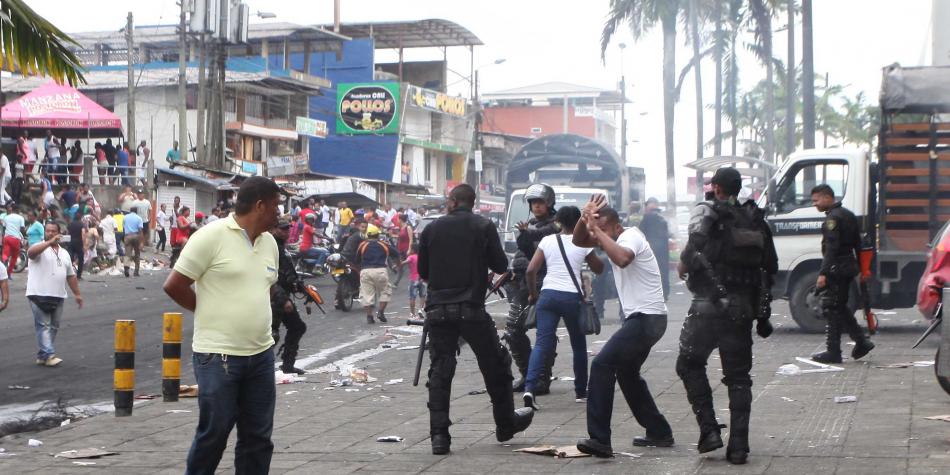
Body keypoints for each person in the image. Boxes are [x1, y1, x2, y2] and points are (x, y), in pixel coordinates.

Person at [163, 176, 281, 473]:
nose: (279, 213)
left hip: (261, 356)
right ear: (259, 206)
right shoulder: (210, 236)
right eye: (276, 206)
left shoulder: (270, 244)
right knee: (214, 435)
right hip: (218, 356)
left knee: (258, 438)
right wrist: (204, 311)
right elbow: (174, 285)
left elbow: (264, 290)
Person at [419, 184, 534, 455]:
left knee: (440, 370)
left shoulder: (432, 229)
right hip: (471, 308)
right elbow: (498, 265)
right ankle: (505, 423)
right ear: (471, 203)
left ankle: (439, 436)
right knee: (496, 363)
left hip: (438, 310)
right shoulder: (482, 226)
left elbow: (423, 270)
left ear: (451, 201)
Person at [674, 167, 778, 465]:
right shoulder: (755, 219)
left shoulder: (707, 212)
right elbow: (770, 265)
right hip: (742, 310)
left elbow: (693, 246)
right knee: (739, 378)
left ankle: (709, 431)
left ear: (717, 188)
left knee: (689, 363)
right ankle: (738, 447)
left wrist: (684, 266)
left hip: (707, 308)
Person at [571, 198, 675, 458]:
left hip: (647, 318)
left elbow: (623, 259)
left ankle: (600, 439)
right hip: (643, 319)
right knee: (627, 374)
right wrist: (584, 220)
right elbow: (578, 242)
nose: (599, 238)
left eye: (603, 231)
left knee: (602, 365)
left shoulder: (632, 236)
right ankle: (659, 431)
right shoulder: (612, 237)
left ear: (616, 228)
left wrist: (596, 232)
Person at [523, 206, 603, 409]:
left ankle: (529, 389)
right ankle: (580, 392)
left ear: (558, 222)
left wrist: (533, 294)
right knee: (578, 345)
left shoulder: (547, 241)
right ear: (579, 222)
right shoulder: (583, 243)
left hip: (548, 296)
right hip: (571, 298)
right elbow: (598, 268)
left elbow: (531, 270)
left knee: (541, 343)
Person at [810, 184, 875, 363]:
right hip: (848, 267)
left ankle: (835, 351)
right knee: (839, 306)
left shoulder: (833, 219)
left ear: (827, 197)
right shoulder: (848, 214)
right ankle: (861, 341)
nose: (814, 204)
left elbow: (832, 247)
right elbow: (858, 244)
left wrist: (823, 273)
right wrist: (862, 269)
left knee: (832, 307)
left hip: (836, 268)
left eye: (816, 200)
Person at [505, 183, 559, 393]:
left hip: (544, 283)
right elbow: (524, 252)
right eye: (533, 203)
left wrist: (528, 233)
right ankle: (529, 376)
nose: (536, 206)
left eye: (540, 202)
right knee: (513, 330)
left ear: (549, 203)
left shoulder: (555, 225)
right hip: (522, 285)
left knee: (545, 333)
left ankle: (541, 379)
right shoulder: (529, 225)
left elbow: (542, 237)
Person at [27, 221, 83, 367]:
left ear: (59, 233)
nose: (50, 233)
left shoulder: (64, 253)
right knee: (43, 325)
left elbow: (70, 275)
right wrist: (49, 242)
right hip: (37, 294)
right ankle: (49, 354)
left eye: (53, 231)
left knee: (54, 326)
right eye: (48, 231)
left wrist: (77, 294)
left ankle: (42, 355)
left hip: (58, 295)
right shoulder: (38, 248)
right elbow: (31, 254)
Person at [269, 216, 307, 375]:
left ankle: (288, 364)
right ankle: (262, 369)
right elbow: (269, 276)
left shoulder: (281, 247)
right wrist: (283, 299)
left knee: (297, 327)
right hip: (274, 297)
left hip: (283, 295)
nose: (286, 231)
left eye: (287, 228)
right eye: (282, 228)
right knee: (271, 335)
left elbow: (287, 273)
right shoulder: (271, 246)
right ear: (273, 229)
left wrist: (300, 287)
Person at [357, 224, 392, 324]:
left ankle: (369, 316)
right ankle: (380, 312)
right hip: (381, 271)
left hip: (366, 271)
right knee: (385, 292)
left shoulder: (362, 245)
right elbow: (396, 254)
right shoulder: (383, 244)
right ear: (377, 235)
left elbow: (357, 259)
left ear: (367, 235)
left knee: (366, 294)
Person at [638, 197, 671, 300]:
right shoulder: (663, 218)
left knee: (651, 271)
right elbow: (667, 234)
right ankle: (664, 293)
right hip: (662, 250)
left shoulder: (647, 218)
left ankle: (652, 293)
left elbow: (641, 234)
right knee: (663, 271)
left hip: (651, 249)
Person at [402, 243, 425, 317]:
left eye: (410, 249)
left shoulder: (411, 257)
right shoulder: (422, 257)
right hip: (421, 279)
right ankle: (420, 309)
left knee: (412, 297)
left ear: (413, 250)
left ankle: (412, 313)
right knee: (422, 296)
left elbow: (405, 262)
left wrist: (398, 264)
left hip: (413, 279)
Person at [123, 206, 144, 277]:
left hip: (127, 236)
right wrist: (141, 242)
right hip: (136, 236)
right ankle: (136, 271)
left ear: (130, 211)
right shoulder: (139, 218)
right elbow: (140, 230)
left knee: (127, 254)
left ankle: (126, 268)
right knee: (137, 254)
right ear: (136, 211)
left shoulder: (125, 217)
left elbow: (123, 227)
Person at [67, 212, 87, 280]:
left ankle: (68, 274)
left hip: (71, 242)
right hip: (79, 243)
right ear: (80, 218)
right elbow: (83, 234)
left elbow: (67, 232)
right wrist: (84, 244)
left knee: (70, 258)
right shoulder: (82, 224)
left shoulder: (70, 224)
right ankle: (79, 275)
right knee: (81, 259)